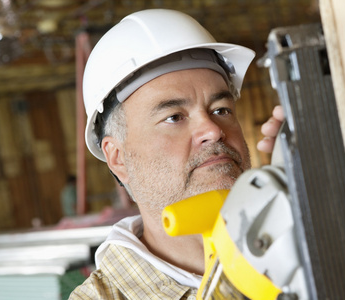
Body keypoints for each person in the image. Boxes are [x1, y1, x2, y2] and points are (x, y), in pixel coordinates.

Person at [69, 9, 284, 299]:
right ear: (118, 158)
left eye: (221, 110)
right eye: (174, 117)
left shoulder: (296, 233)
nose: (212, 130)